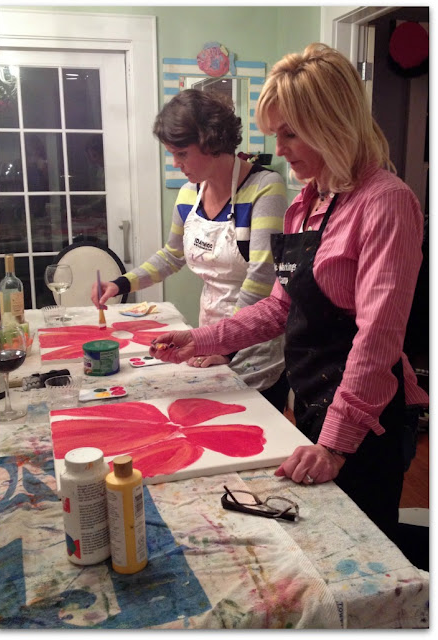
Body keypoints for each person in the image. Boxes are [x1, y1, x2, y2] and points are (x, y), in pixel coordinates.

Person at [149, 43, 429, 549]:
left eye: (290, 133)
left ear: (333, 123)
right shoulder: (307, 202)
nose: (278, 149)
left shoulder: (386, 203)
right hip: (315, 400)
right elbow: (281, 306)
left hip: (367, 418)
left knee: (363, 550)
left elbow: (377, 339)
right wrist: (202, 339)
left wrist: (335, 444)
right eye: (275, 133)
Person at [92, 89, 289, 412]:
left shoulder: (265, 188)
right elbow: (172, 255)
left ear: (212, 141)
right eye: (172, 154)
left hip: (252, 347)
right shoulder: (189, 194)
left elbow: (262, 278)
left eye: (182, 153)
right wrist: (122, 283)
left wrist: (226, 346)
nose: (176, 164)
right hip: (206, 340)